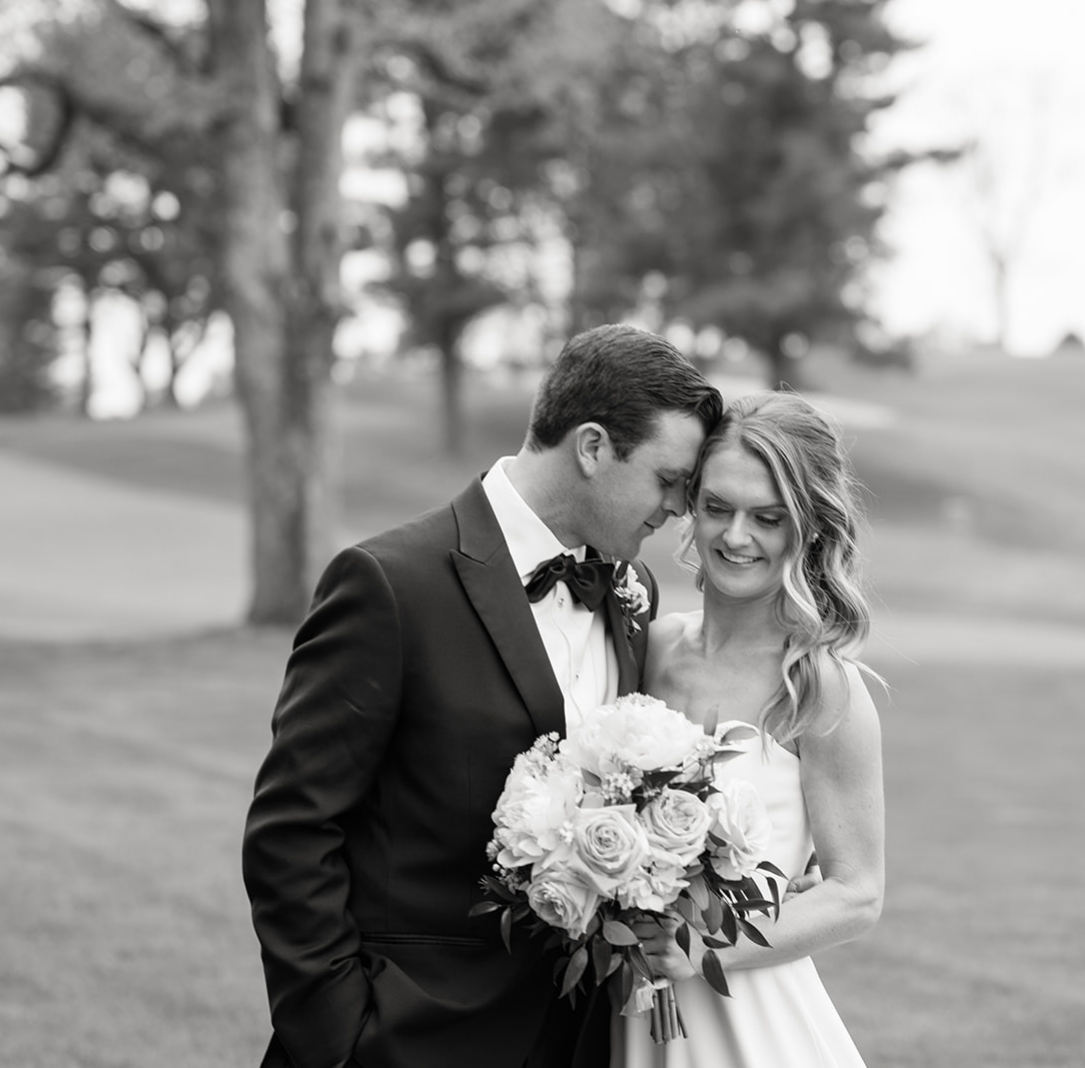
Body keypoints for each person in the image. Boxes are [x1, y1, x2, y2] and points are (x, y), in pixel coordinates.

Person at [242, 324, 722, 1068]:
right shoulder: (390, 583)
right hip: (412, 1035)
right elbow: (291, 832)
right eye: (667, 480)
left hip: (581, 1038)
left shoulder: (633, 594)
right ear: (592, 448)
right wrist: (342, 1038)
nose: (679, 510)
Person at [618, 391, 886, 1068]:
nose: (736, 538)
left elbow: (856, 893)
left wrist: (700, 950)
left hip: (758, 1030)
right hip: (632, 1018)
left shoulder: (820, 687)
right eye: (717, 508)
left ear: (810, 528)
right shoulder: (646, 647)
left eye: (767, 518)